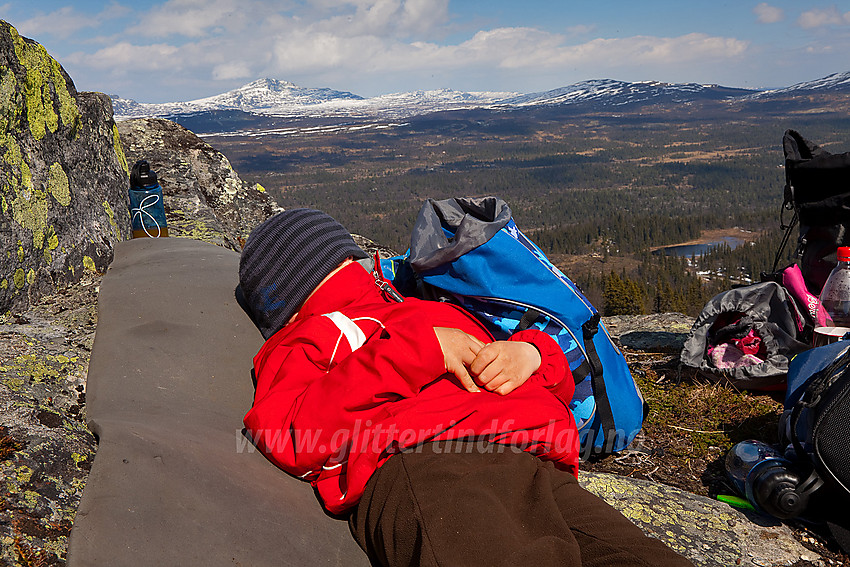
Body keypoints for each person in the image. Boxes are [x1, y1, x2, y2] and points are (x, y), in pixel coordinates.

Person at [237, 208, 694, 567]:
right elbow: (290, 433)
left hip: (534, 458)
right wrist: (418, 350)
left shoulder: (413, 302)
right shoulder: (307, 336)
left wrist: (532, 354)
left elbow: (506, 356)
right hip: (425, 463)